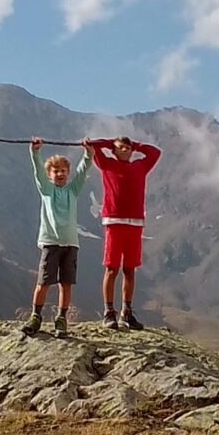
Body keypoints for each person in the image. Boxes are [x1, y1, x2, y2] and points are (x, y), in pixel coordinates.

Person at [22, 137, 94, 337]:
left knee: (66, 284)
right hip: (51, 243)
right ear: (50, 174)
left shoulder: (73, 190)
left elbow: (83, 171)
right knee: (43, 282)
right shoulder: (46, 189)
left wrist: (88, 153)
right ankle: (35, 316)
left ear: (68, 173)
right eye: (56, 171)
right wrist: (35, 152)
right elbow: (38, 173)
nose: (60, 174)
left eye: (63, 170)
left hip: (71, 243)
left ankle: (61, 319)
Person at [89, 136, 162, 329]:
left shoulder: (139, 167)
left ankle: (127, 313)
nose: (125, 151)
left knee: (130, 269)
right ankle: (108, 312)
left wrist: (136, 145)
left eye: (127, 148)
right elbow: (93, 146)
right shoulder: (107, 165)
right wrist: (110, 143)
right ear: (113, 151)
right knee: (112, 268)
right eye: (120, 148)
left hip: (135, 224)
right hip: (114, 222)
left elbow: (155, 152)